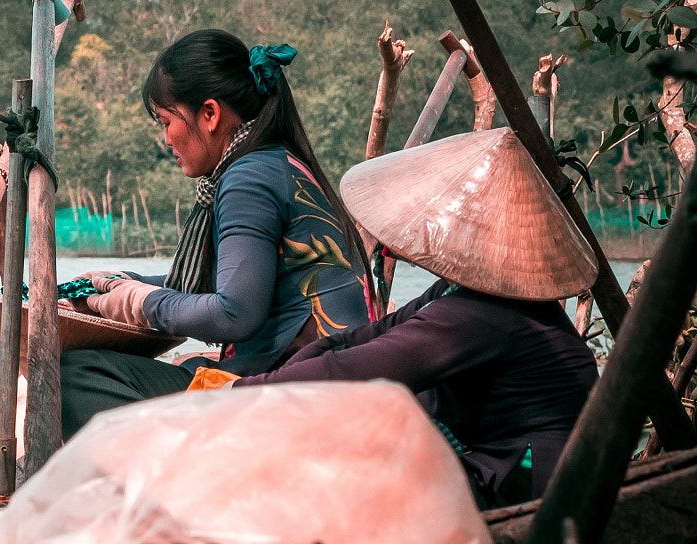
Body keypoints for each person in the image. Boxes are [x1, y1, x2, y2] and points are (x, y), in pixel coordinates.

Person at [208, 127, 601, 507]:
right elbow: (358, 340)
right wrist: (268, 383)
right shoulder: (459, 293)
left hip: (526, 483)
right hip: (494, 459)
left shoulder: (481, 313)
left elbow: (354, 368)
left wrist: (239, 394)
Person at [62, 29, 377, 436]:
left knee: (75, 374)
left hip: (298, 397)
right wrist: (125, 284)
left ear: (210, 114)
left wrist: (142, 302)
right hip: (323, 382)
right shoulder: (276, 163)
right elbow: (233, 282)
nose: (166, 139)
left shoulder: (248, 178)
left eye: (167, 121)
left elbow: (234, 312)